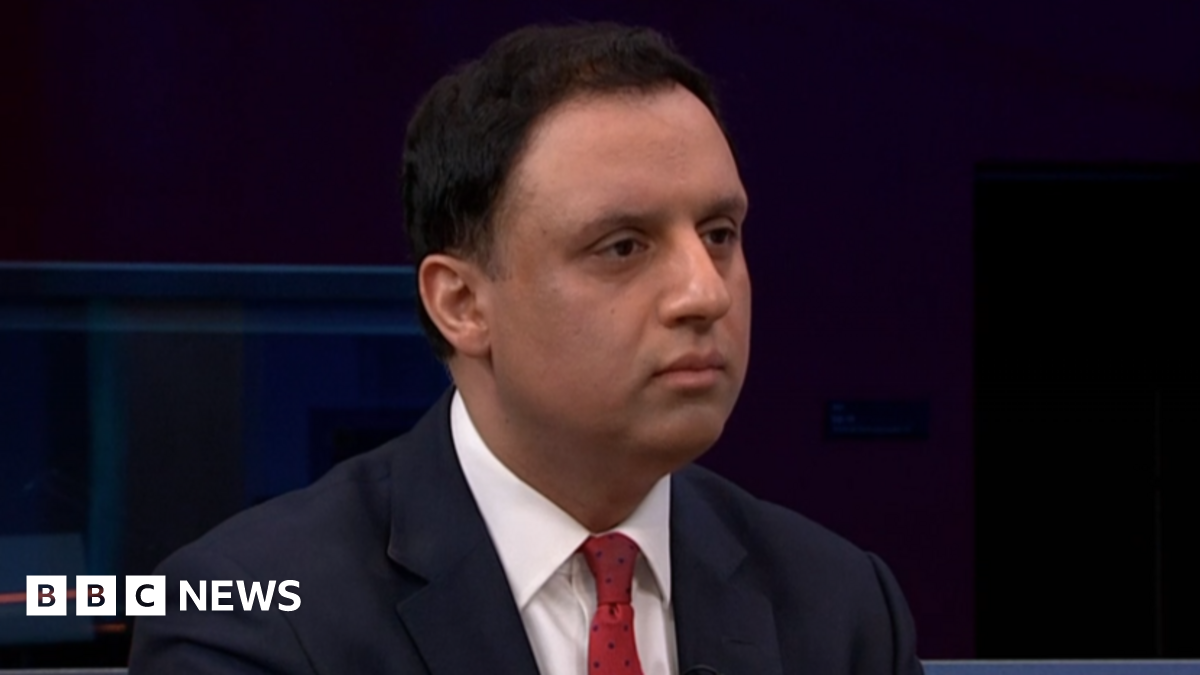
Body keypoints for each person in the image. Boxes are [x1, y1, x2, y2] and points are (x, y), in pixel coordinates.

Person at [130, 22, 923, 675]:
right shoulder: (250, 616)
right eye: (622, 246)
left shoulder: (843, 607)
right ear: (463, 303)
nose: (705, 292)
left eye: (719, 234)